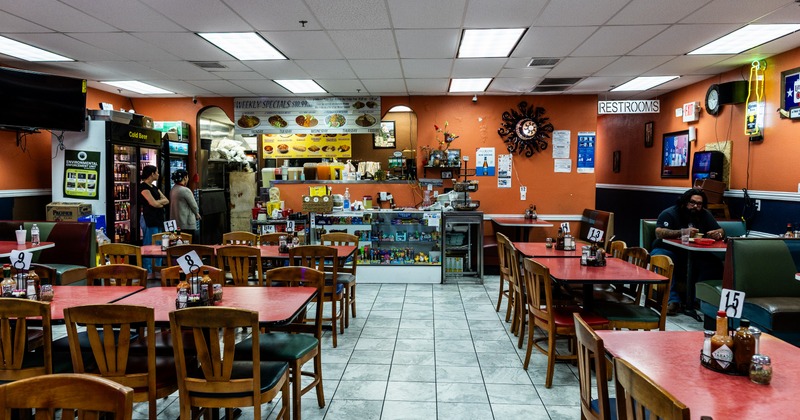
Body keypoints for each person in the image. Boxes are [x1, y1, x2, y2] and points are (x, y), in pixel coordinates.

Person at [651, 188, 725, 315]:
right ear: (685, 202)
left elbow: (720, 230)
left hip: (694, 252)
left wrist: (718, 233)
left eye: (699, 204)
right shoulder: (670, 213)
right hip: (667, 248)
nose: (695, 206)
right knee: (666, 260)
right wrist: (682, 232)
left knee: (715, 264)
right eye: (692, 202)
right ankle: (672, 301)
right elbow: (659, 232)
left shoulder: (705, 214)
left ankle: (698, 299)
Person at [139, 165, 168, 273]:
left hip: (158, 219)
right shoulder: (143, 187)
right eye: (157, 172)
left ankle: (158, 269)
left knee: (160, 246)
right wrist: (159, 203)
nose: (158, 174)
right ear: (152, 174)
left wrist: (158, 203)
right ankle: (148, 270)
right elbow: (153, 203)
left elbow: (166, 200)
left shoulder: (154, 187)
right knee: (149, 246)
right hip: (149, 220)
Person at [169, 169, 201, 243]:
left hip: (176, 223)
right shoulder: (185, 190)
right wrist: (197, 213)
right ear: (185, 178)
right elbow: (194, 206)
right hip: (186, 223)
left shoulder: (173, 189)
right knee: (189, 244)